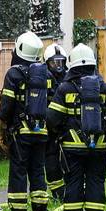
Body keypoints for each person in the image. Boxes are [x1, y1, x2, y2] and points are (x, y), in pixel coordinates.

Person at [46, 44, 106, 211]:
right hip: (100, 146)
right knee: (96, 181)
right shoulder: (103, 87)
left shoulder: (64, 88)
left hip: (72, 148)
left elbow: (52, 118)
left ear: (71, 64)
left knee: (73, 183)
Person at [0, 31, 51, 211]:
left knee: (19, 172)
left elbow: (7, 103)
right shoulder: (46, 74)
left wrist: (2, 122)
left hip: (20, 133)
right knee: (38, 171)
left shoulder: (14, 74)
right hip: (41, 132)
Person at [43, 44, 69, 201]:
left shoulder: (69, 78)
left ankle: (71, 189)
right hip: (50, 129)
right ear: (47, 63)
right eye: (54, 62)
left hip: (67, 127)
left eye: (60, 62)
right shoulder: (44, 80)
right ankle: (58, 194)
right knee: (51, 162)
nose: (58, 66)